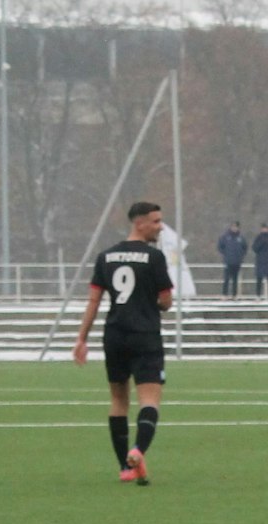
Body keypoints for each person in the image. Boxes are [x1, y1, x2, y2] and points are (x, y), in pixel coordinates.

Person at [73, 200, 174, 485]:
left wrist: (81, 339)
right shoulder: (154, 258)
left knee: (118, 400)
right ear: (138, 223)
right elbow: (166, 301)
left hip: (114, 335)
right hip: (145, 335)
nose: (160, 226)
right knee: (150, 400)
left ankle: (125, 468)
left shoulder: (106, 257)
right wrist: (151, 302)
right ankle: (138, 450)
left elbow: (94, 300)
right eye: (155, 221)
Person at [217, 222, 246, 297]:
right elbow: (220, 246)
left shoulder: (241, 238)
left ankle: (234, 295)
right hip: (228, 261)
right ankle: (225, 294)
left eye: (236, 227)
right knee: (226, 279)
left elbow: (245, 248)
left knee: (235, 280)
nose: (234, 228)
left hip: (237, 262)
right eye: (233, 227)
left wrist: (240, 256)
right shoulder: (226, 237)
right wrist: (225, 254)